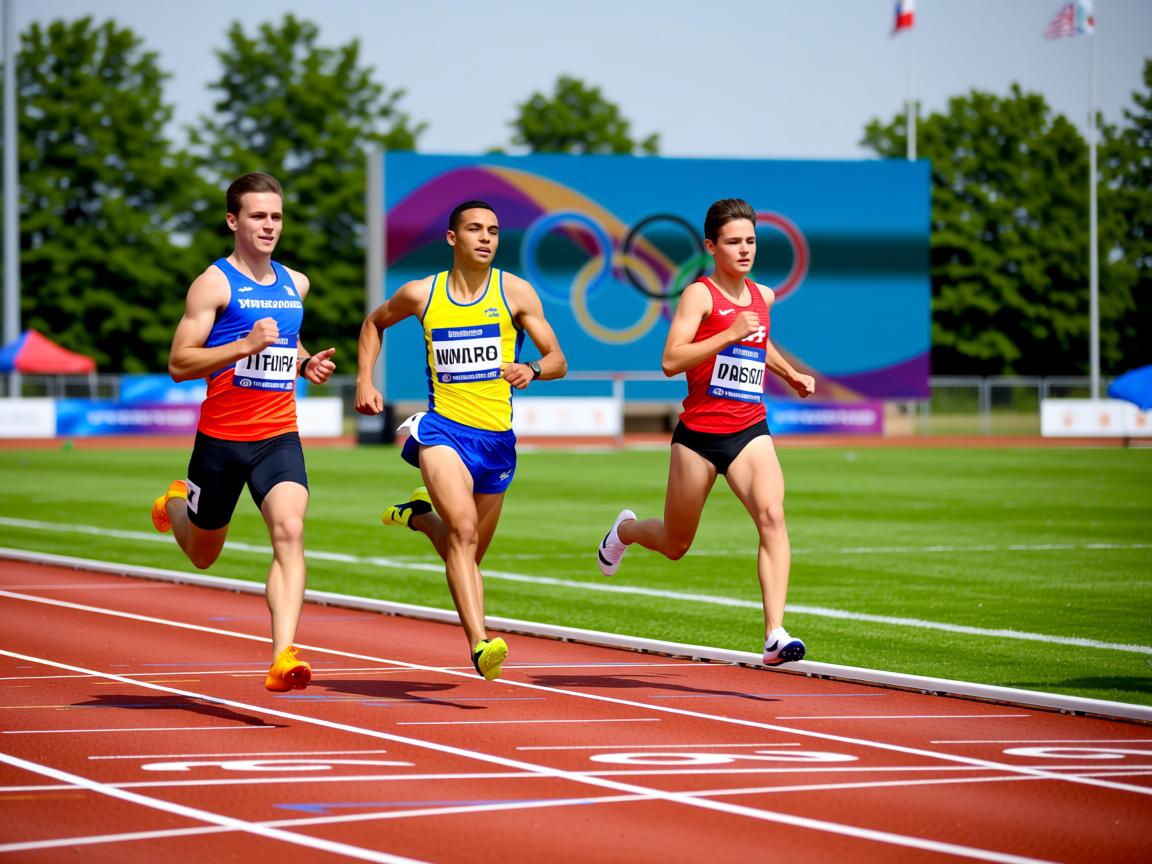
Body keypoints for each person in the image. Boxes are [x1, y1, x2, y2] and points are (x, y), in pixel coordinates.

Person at [596, 198, 816, 666]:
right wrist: (728, 333)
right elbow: (671, 359)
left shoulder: (763, 296)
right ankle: (626, 531)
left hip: (749, 429)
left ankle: (774, 634)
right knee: (676, 545)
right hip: (698, 437)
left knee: (773, 515)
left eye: (751, 241)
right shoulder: (700, 295)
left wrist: (790, 373)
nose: (744, 250)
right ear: (711, 247)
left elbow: (760, 340)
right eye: (734, 242)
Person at [354, 200, 567, 681]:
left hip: (496, 442)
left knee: (465, 551)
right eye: (475, 229)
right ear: (453, 239)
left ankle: (419, 516)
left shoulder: (514, 292)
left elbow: (558, 359)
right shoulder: (420, 295)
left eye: (493, 230)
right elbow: (373, 324)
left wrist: (531, 368)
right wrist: (365, 380)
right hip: (442, 430)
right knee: (465, 532)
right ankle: (480, 644)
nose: (486, 238)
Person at [150, 171, 336, 692]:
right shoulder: (213, 283)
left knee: (290, 531)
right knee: (204, 555)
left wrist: (303, 365)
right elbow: (180, 363)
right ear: (233, 220)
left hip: (278, 437)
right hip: (220, 442)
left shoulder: (295, 282)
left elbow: (284, 341)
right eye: (258, 215)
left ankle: (283, 656)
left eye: (276, 215)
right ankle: (176, 505)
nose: (269, 225)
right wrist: (242, 346)